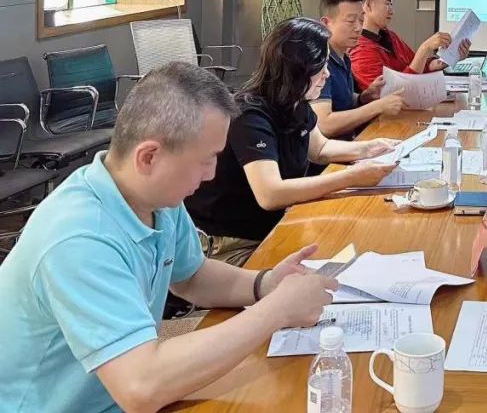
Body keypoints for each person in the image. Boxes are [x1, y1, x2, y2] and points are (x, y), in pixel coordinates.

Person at [0, 63, 339, 412]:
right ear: (149, 157)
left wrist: (265, 284)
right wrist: (276, 310)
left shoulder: (156, 198)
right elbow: (141, 387)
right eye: (206, 160)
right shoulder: (79, 239)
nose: (211, 174)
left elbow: (191, 277)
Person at [186, 17, 400, 265]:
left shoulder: (297, 102)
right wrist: (351, 178)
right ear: (298, 68)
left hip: (272, 226)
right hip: (232, 243)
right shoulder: (249, 115)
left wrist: (369, 148)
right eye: (321, 66)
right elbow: (270, 194)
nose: (327, 74)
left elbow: (319, 148)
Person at [314, 0, 406, 140]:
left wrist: (364, 97)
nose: (359, 28)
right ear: (326, 23)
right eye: (351, 21)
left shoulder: (344, 57)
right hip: (330, 152)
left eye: (361, 20)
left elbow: (340, 100)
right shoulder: (318, 61)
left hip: (350, 142)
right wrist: (378, 106)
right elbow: (324, 125)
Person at [349, 0, 470, 90]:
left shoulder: (391, 36)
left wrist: (448, 59)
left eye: (391, 5)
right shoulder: (360, 51)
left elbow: (417, 66)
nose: (392, 11)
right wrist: (425, 48)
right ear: (368, 5)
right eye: (387, 4)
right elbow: (389, 93)